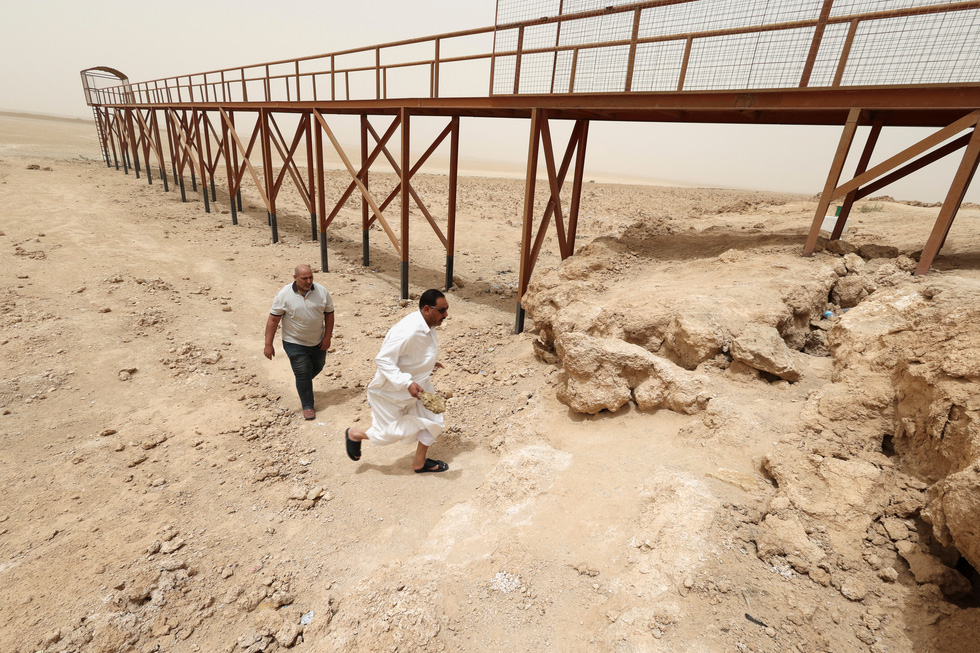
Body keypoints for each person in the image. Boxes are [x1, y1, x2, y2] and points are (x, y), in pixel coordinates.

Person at [345, 289, 450, 473]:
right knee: (390, 433)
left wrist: (429, 363)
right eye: (442, 310)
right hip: (392, 392)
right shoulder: (408, 331)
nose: (446, 315)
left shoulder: (428, 323)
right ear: (427, 309)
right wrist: (407, 383)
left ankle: (419, 462)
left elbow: (414, 353)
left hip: (420, 386)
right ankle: (355, 434)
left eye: (446, 309)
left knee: (435, 419)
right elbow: (383, 359)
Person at [264, 264, 334, 420]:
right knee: (302, 373)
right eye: (304, 278)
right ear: (295, 278)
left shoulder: (322, 292)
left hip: (318, 341)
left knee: (318, 366)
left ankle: (303, 386)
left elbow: (329, 314)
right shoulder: (284, 294)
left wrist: (327, 337)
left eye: (311, 277)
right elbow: (273, 319)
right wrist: (268, 344)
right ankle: (308, 406)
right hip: (294, 341)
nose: (308, 281)